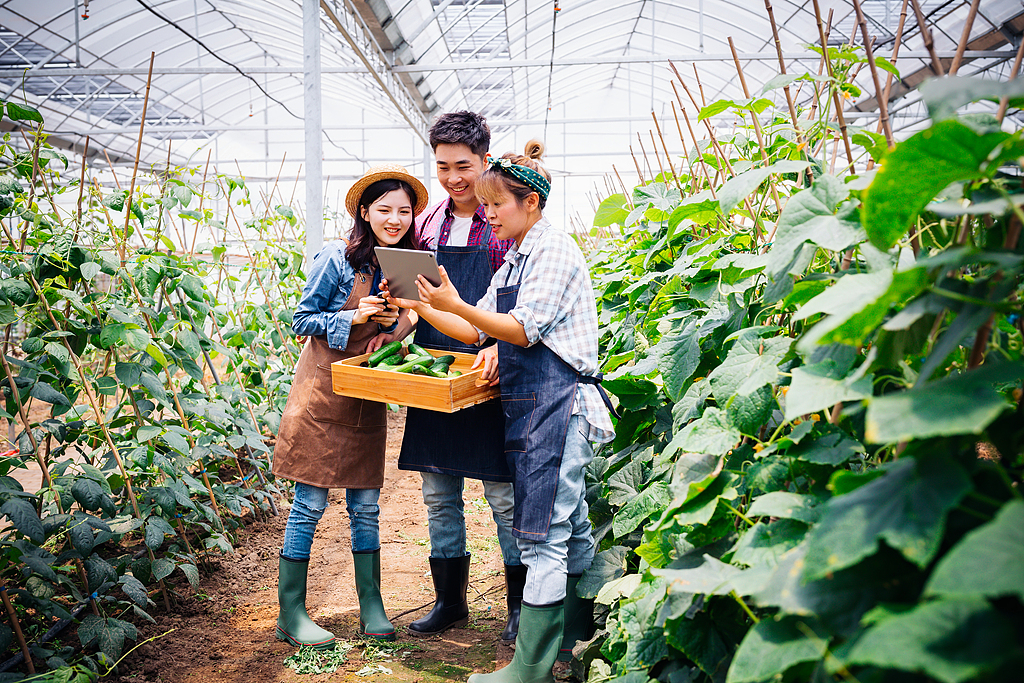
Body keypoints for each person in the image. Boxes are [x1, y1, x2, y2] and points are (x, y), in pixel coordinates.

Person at [385, 142, 615, 681]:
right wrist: (426, 305)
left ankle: (528, 669)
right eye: (484, 208)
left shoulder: (552, 251)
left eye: (496, 206)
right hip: (534, 406)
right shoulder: (517, 255)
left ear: (530, 202)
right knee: (571, 527)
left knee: (542, 536)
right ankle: (573, 643)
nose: (487, 216)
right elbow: (477, 328)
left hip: (559, 405)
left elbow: (521, 328)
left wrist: (455, 303)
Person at [271, 164, 427, 648]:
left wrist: (393, 333)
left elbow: (409, 320)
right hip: (321, 394)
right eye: (384, 209)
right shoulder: (336, 258)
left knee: (366, 505)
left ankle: (372, 604)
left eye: (404, 210)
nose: (395, 219)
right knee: (309, 506)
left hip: (365, 395)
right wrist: (352, 315)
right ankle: (290, 612)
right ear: (365, 211)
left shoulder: (404, 264)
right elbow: (300, 318)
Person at [397, 111, 526, 641]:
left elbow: (518, 296)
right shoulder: (427, 224)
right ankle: (449, 602)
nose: (453, 178)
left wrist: (496, 341)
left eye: (464, 166)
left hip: (489, 368)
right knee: (437, 492)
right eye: (443, 166)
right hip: (433, 366)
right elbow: (419, 298)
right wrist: (397, 322)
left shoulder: (503, 223)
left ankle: (520, 606)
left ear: (485, 160)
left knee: (502, 492)